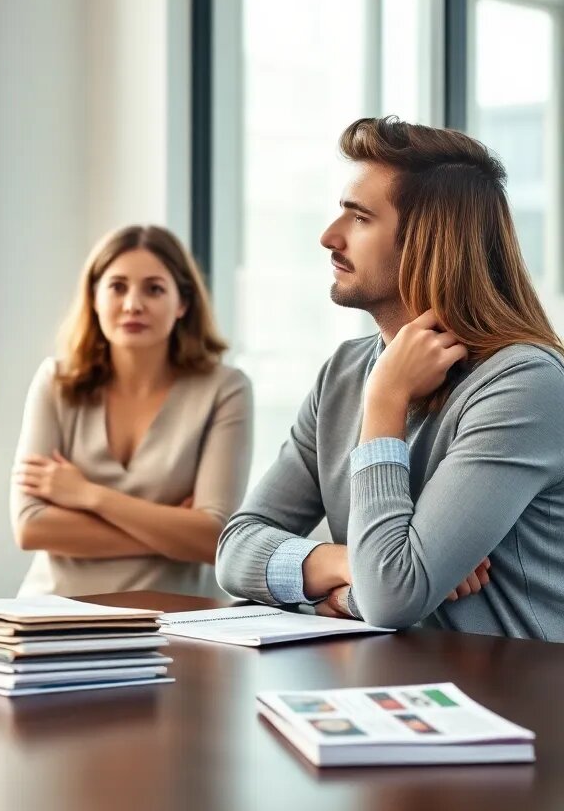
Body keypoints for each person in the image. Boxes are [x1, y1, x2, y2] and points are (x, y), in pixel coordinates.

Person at [216, 116, 564, 638]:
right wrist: (347, 566)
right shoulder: (343, 371)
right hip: (391, 690)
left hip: (511, 699)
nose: (328, 237)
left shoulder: (525, 386)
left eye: (359, 218)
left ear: (428, 240)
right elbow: (235, 548)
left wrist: (385, 401)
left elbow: (392, 597)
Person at [12, 225, 252, 597]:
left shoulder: (226, 389)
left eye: (154, 289)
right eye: (117, 287)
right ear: (94, 297)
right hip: (54, 617)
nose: (133, 305)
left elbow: (213, 538)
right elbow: (31, 527)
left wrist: (89, 495)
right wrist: (173, 528)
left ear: (183, 303)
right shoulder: (55, 382)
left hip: (180, 621)